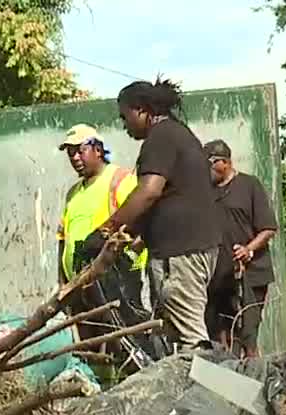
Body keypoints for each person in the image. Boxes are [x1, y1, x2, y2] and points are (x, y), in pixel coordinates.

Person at [81, 78, 224, 352]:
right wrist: (132, 239)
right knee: (172, 334)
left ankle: (209, 391)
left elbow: (149, 192)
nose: (125, 126)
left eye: (125, 118)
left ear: (142, 110)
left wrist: (105, 230)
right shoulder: (179, 135)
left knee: (191, 341)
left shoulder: (160, 138)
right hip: (193, 248)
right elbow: (167, 199)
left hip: (180, 253)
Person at [55, 124, 145, 348]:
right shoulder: (74, 193)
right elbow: (63, 239)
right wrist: (63, 282)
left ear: (97, 149)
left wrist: (129, 258)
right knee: (89, 345)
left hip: (115, 282)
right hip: (79, 284)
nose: (74, 157)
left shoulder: (120, 179)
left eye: (79, 150)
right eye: (70, 153)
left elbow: (141, 222)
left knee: (123, 341)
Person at [203, 139, 278, 357]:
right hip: (219, 278)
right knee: (222, 338)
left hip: (252, 273)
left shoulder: (249, 185)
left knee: (248, 334)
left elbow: (268, 228)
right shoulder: (206, 193)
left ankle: (255, 376)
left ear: (224, 163)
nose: (207, 172)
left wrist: (248, 249)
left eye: (210, 165)